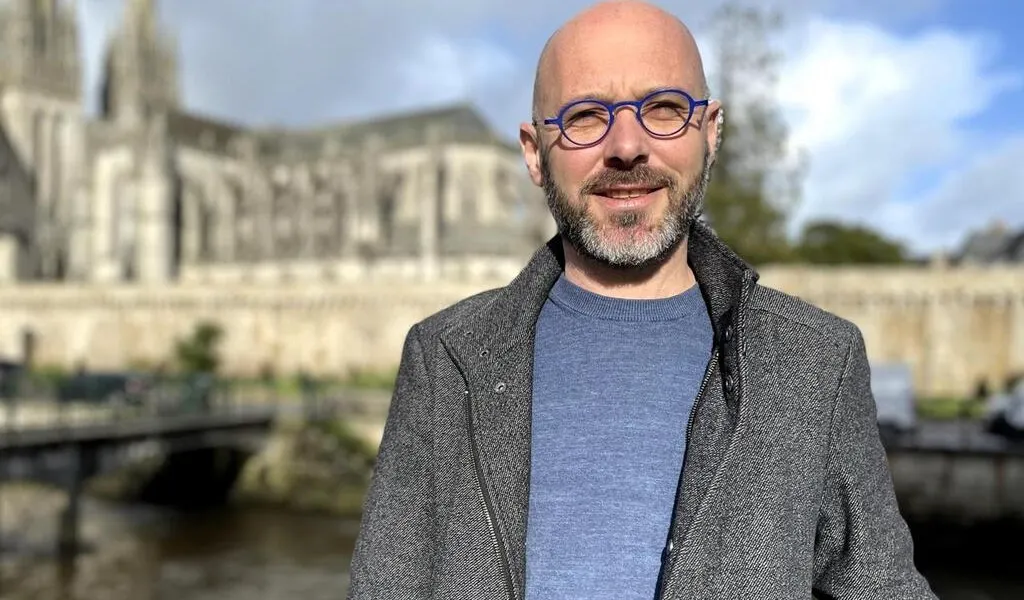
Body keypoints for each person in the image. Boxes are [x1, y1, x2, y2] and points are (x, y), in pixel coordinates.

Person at [346, 1, 937, 598]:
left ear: (711, 131)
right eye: (583, 117)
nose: (627, 146)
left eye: (663, 109)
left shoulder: (816, 360)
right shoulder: (443, 358)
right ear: (533, 152)